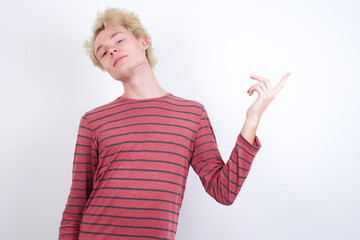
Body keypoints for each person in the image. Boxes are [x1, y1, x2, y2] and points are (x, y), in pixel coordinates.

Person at [58, 7, 290, 240]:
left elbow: (224, 191)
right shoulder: (94, 121)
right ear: (105, 68)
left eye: (119, 40)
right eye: (103, 52)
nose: (112, 50)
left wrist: (252, 120)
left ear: (143, 42)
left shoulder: (192, 114)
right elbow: (76, 203)